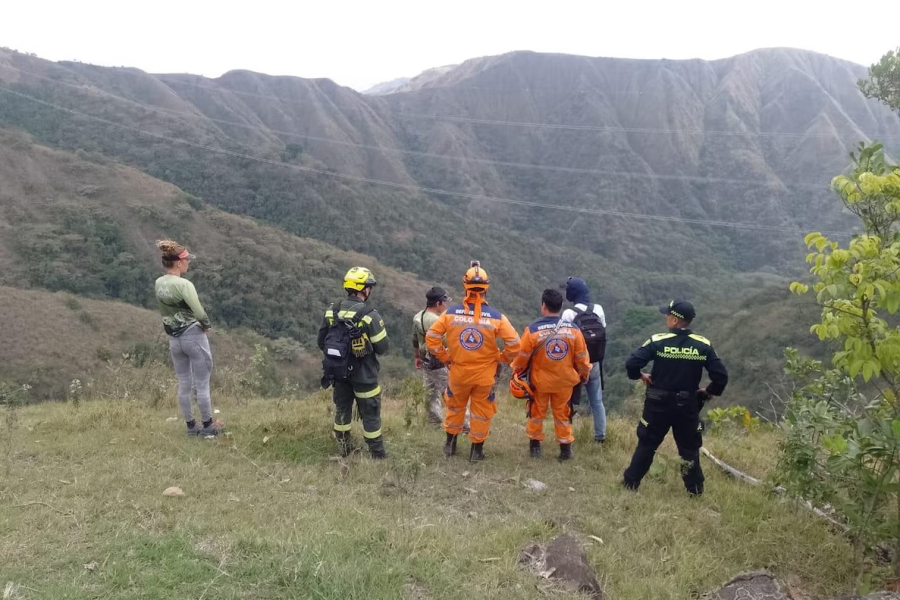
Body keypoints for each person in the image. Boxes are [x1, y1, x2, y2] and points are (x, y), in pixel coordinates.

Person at [622, 300, 728, 496]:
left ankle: (630, 484)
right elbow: (721, 376)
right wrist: (707, 391)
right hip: (687, 405)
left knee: (647, 444)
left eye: (667, 315)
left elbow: (632, 363)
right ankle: (695, 490)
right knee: (689, 448)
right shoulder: (703, 345)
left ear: (674, 320)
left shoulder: (657, 341)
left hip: (657, 404)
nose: (666, 318)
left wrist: (640, 375)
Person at [426, 261, 520, 461]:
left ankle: (450, 446)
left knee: (454, 408)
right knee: (481, 412)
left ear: (464, 285)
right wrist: (500, 358)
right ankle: (476, 452)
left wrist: (445, 357)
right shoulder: (497, 317)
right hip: (485, 376)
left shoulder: (449, 314)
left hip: (458, 373)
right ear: (486, 288)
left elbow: (431, 338)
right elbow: (515, 344)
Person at [317, 267, 390, 459]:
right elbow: (382, 348)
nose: (370, 290)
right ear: (363, 289)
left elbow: (321, 342)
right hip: (364, 375)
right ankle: (377, 454)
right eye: (369, 287)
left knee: (342, 410)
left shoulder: (332, 311)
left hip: (338, 373)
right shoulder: (370, 315)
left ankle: (343, 448)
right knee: (371, 413)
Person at [511, 289, 591, 461]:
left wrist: (516, 372)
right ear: (561, 306)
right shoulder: (574, 330)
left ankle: (535, 447)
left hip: (540, 382)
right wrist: (584, 373)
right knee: (563, 415)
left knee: (536, 413)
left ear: (543, 306)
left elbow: (522, 356)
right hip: (564, 382)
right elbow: (582, 357)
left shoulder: (533, 330)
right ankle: (565, 450)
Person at [154, 240, 221, 437]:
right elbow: (198, 311)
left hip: (174, 339)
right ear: (178, 263)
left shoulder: (159, 283)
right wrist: (206, 325)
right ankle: (208, 426)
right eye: (186, 260)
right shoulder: (184, 284)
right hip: (193, 335)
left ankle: (191, 426)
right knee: (202, 383)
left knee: (184, 383)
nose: (188, 263)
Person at [561, 277, 608, 443]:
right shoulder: (599, 309)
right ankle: (600, 437)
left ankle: (566, 435)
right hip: (594, 362)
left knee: (568, 401)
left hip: (574, 365)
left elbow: (564, 337)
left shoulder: (569, 313)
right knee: (596, 401)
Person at [412, 287, 452, 426]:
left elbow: (415, 339)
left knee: (430, 394)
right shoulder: (437, 321)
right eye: (444, 302)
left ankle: (434, 422)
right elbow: (446, 342)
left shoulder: (418, 316)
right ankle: (465, 426)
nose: (446, 305)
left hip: (425, 361)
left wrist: (417, 357)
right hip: (439, 362)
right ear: (439, 303)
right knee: (450, 394)